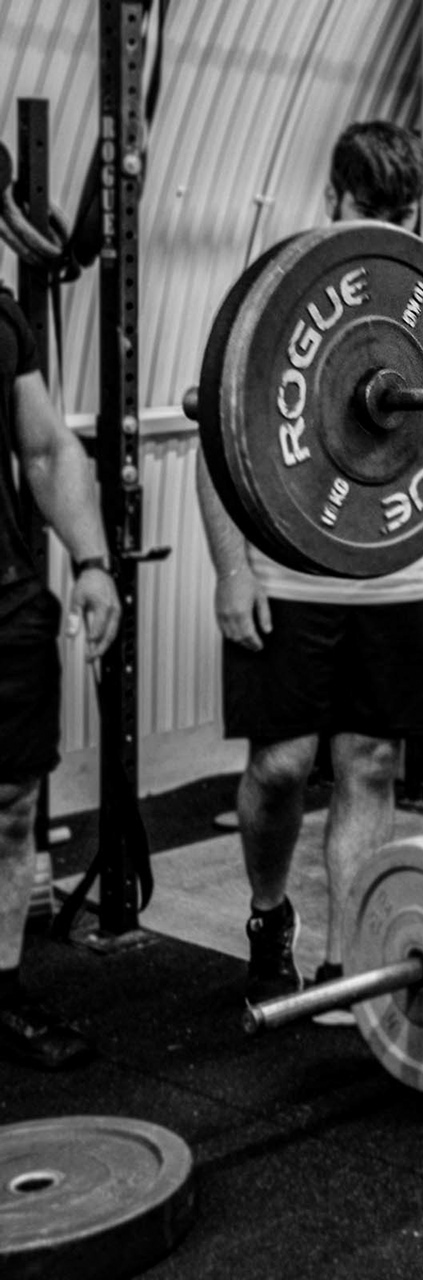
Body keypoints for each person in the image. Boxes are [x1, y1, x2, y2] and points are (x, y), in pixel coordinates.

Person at [194, 121, 423, 1011]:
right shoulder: (280, 290)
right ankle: (268, 915)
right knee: (282, 766)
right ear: (333, 196)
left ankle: (348, 963)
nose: (383, 226)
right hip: (286, 576)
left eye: (400, 214)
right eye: (368, 207)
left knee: (368, 763)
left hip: (390, 573)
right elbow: (222, 438)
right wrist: (231, 571)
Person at [0, 286, 120, 1070]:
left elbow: (45, 449)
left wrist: (91, 560)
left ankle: (1, 990)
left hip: (6, 599)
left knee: (12, 807)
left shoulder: (1, 313)